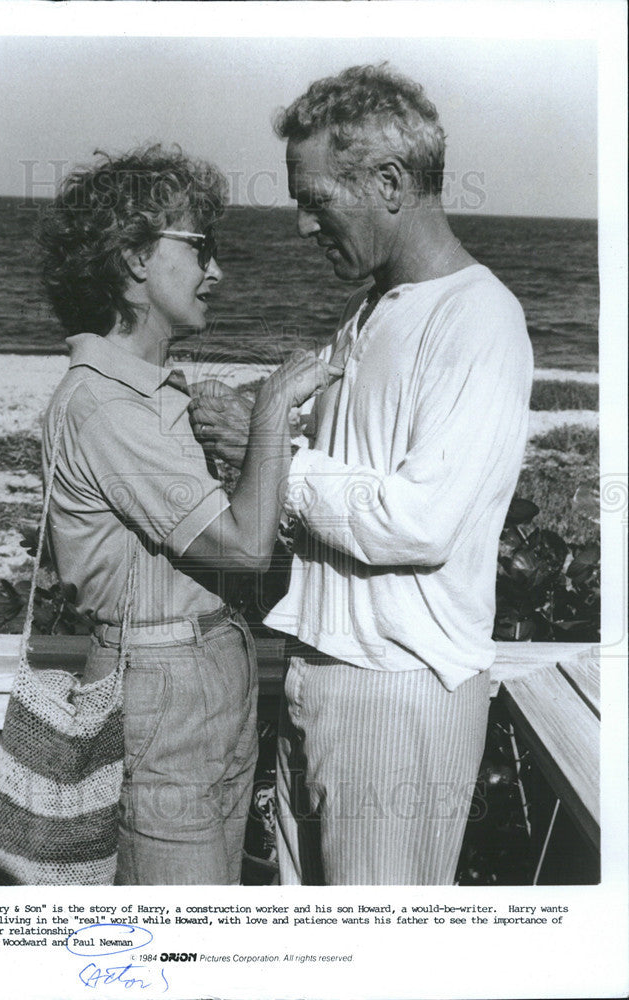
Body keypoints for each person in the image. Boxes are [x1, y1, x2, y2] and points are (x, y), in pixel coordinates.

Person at [189, 64, 534, 885]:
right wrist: (251, 445)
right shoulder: (370, 314)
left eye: (315, 200)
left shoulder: (478, 318)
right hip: (324, 668)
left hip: (399, 687)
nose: (304, 225)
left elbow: (416, 522)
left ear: (388, 182)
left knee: (380, 957)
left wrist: (269, 451)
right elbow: (326, 489)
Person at [36, 145, 338, 886]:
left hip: (204, 667)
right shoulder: (104, 404)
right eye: (199, 248)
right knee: (183, 932)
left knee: (211, 911)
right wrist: (270, 412)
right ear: (134, 258)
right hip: (163, 684)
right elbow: (238, 551)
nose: (217, 272)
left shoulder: (146, 397)